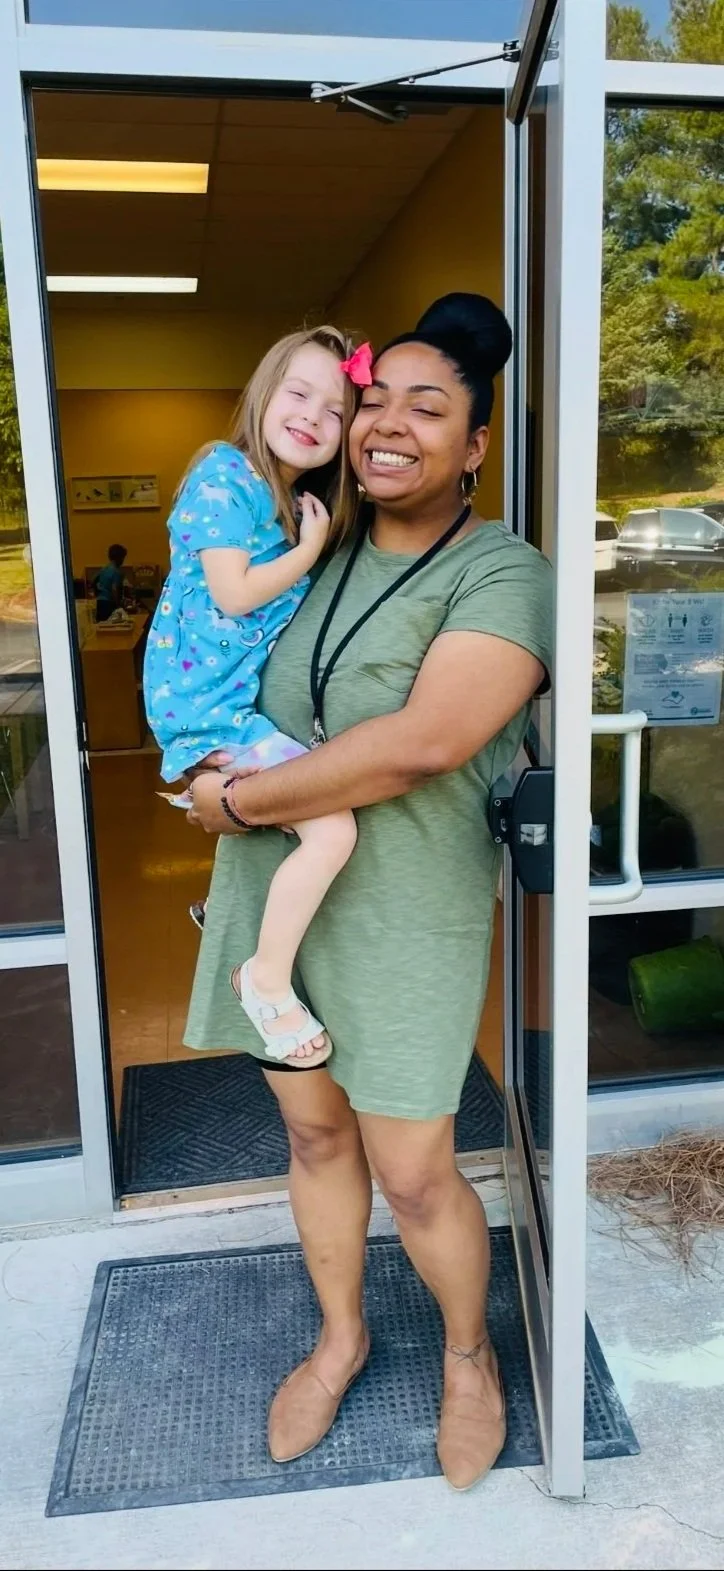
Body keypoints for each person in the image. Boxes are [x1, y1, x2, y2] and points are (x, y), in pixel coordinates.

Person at [184, 293, 553, 1490]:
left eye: (426, 407)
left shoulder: (503, 569)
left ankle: (466, 1356)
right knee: (310, 1129)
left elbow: (426, 739)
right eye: (371, 400)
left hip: (406, 910)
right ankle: (340, 1334)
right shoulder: (315, 545)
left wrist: (237, 802)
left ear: (476, 444)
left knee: (415, 1168)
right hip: (278, 903)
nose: (386, 424)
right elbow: (212, 648)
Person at [143, 326, 366, 1067]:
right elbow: (234, 594)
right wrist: (307, 551)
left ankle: (236, 919)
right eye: (298, 393)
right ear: (263, 393)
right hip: (208, 705)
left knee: (302, 812)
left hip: (227, 701)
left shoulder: (283, 496)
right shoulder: (223, 472)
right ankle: (264, 977)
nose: (312, 416)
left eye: (334, 410)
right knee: (331, 828)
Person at [94, 543, 127, 622]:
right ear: (120, 558)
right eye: (123, 558)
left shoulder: (104, 569)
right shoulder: (116, 572)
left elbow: (94, 582)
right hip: (108, 603)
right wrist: (118, 605)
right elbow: (114, 589)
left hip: (99, 603)